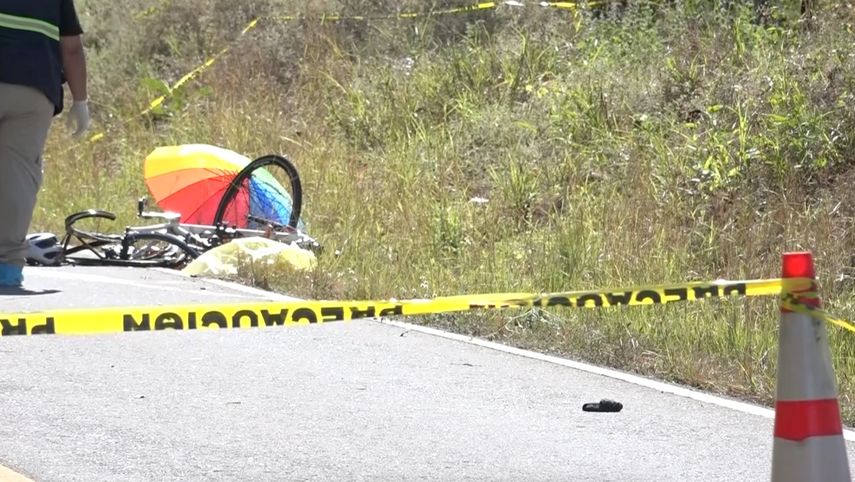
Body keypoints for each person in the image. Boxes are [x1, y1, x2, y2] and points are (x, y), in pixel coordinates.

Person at [0, 0, 90, 287]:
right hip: (34, 89)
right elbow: (72, 48)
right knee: (18, 177)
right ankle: (8, 266)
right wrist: (80, 101)